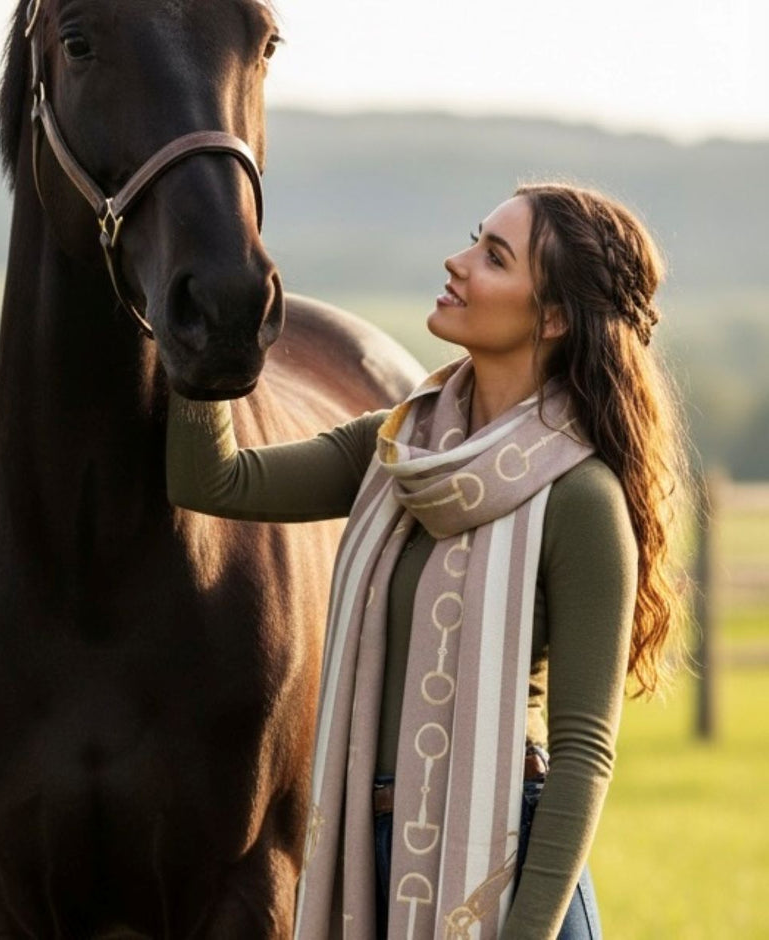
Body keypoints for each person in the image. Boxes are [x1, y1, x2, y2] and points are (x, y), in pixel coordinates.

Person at [166, 182, 688, 939]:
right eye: (477, 238)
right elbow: (211, 480)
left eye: (494, 257)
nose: (458, 261)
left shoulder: (581, 498)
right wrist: (206, 339)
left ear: (552, 316)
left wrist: (527, 930)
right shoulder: (396, 449)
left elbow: (582, 754)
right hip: (368, 859)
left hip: (510, 869)